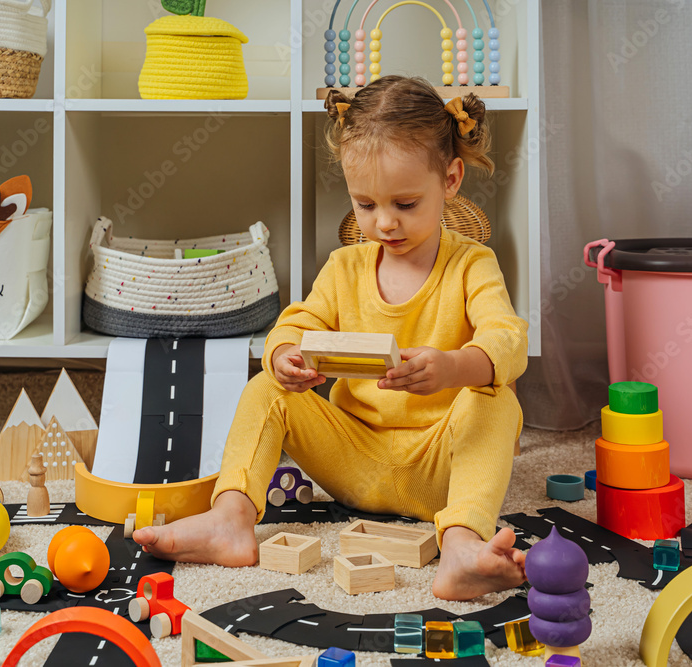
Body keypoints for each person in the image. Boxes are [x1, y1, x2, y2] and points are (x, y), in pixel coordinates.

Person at [134, 75, 529, 601]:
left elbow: (507, 339)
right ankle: (231, 520)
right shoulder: (345, 267)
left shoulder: (471, 264)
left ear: (451, 179)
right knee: (267, 387)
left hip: (441, 466)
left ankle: (459, 545)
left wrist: (456, 366)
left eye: (405, 204)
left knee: (497, 400)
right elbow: (298, 322)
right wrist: (285, 355)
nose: (384, 222)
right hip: (353, 459)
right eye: (365, 205)